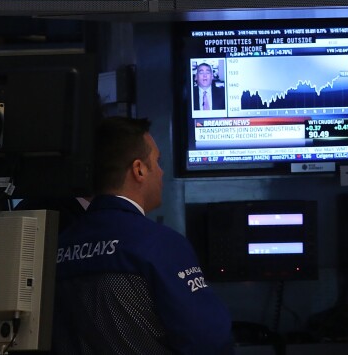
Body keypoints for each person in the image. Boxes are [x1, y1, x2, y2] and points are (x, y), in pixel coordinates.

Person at [52, 116, 235, 355]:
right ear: (138, 169)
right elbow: (209, 340)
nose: (161, 172)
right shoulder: (161, 246)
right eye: (157, 162)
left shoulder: (59, 246)